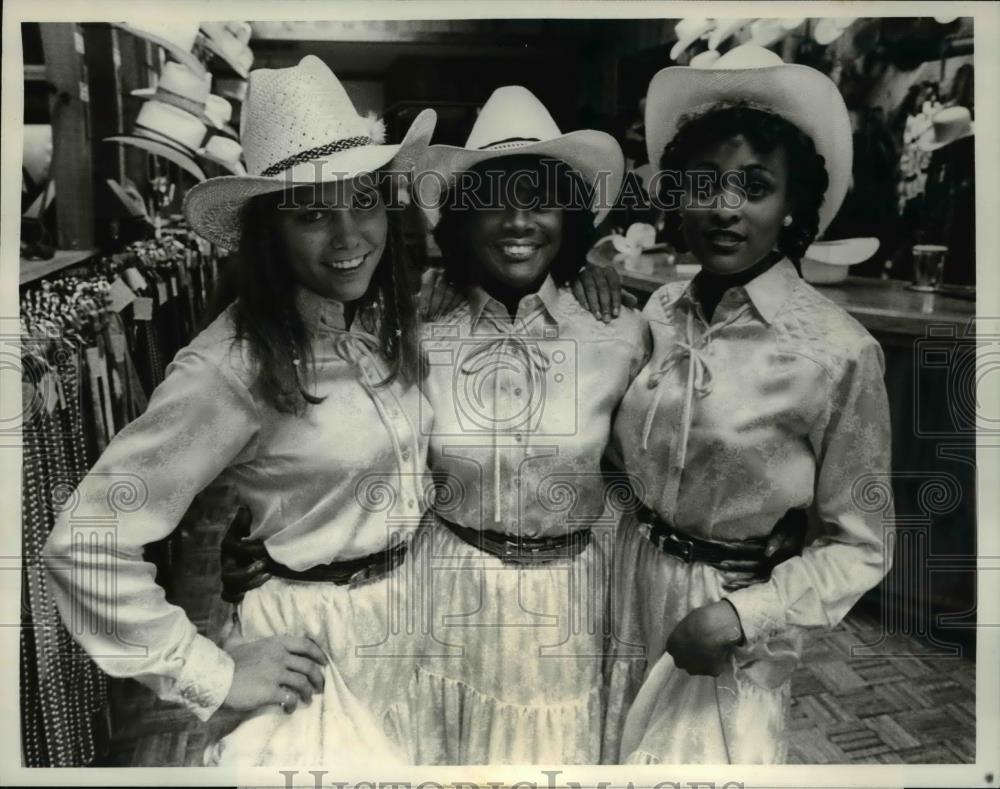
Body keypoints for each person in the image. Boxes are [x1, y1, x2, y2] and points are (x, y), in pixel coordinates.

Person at [43, 55, 436, 766]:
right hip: (314, 660)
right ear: (268, 232)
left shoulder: (379, 324)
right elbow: (85, 540)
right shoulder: (231, 365)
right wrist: (212, 673)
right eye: (312, 213)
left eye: (363, 202)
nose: (350, 237)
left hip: (411, 637)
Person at [599, 44, 894, 764]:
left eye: (754, 186)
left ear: (791, 203)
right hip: (623, 592)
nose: (725, 209)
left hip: (727, 619)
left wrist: (740, 615)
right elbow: (614, 457)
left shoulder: (836, 350)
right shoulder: (660, 312)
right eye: (703, 183)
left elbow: (862, 544)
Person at [397, 85, 647, 765]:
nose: (517, 221)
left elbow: (650, 480)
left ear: (568, 216)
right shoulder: (418, 330)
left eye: (539, 200)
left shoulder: (618, 332)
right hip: (448, 591)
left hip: (568, 605)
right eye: (491, 201)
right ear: (460, 220)